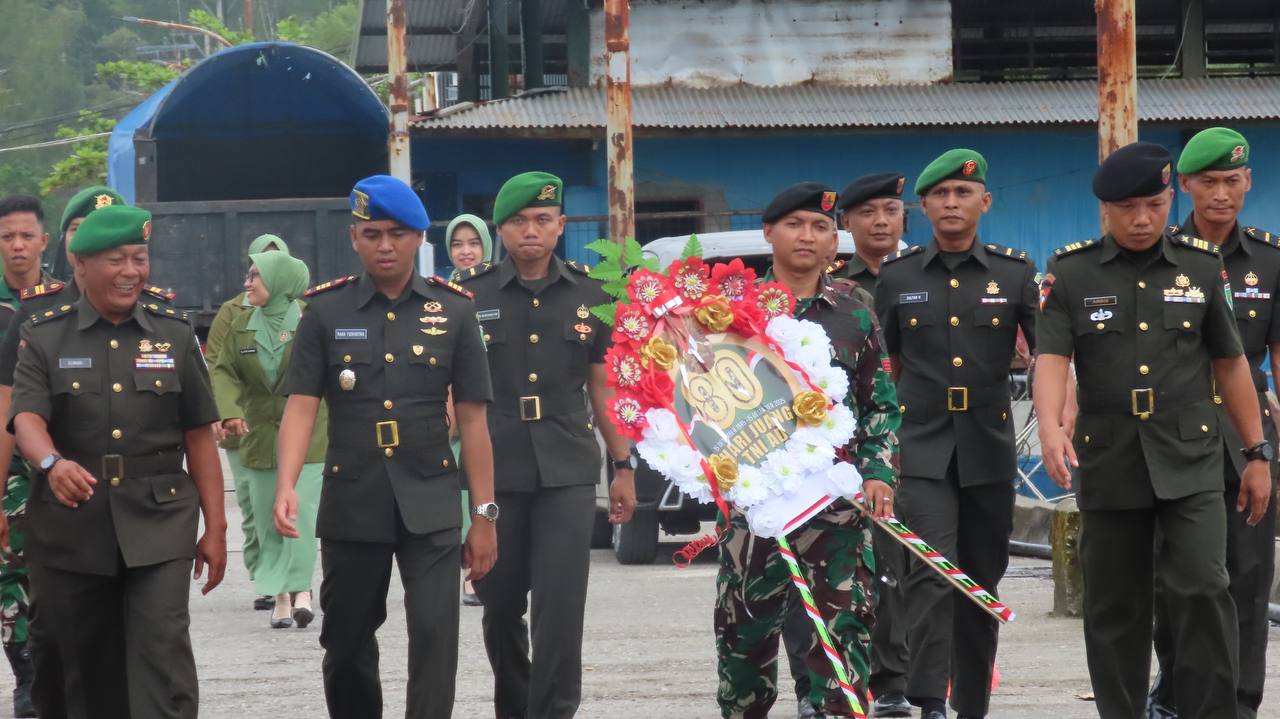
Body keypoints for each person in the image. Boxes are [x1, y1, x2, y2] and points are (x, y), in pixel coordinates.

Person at [1035, 140, 1273, 719]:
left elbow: (1231, 361)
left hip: (1191, 457)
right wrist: (1049, 428)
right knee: (1117, 604)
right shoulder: (1071, 271)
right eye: (1128, 209)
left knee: (1203, 587)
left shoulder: (1198, 265)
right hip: (1111, 457)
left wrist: (1256, 453)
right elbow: (1051, 360)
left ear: (1170, 199)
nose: (1142, 220)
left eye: (1154, 205)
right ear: (1106, 211)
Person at [273, 174, 497, 718]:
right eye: (371, 234)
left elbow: (472, 420)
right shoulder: (325, 312)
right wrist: (285, 484)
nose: (385, 245)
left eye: (397, 233)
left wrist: (485, 514)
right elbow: (302, 405)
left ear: (420, 237)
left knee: (436, 635)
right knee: (346, 640)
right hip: (354, 498)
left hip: (431, 496)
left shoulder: (456, 310)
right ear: (354, 238)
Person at [9, 204, 227, 717]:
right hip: (71, 527)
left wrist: (215, 527)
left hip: (160, 518)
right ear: (80, 265)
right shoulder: (44, 334)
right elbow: (27, 422)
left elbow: (199, 434)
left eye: (139, 258)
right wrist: (50, 465)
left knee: (163, 653)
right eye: (116, 260)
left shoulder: (173, 333)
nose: (131, 272)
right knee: (79, 664)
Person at [715, 182, 899, 719]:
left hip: (835, 507)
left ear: (834, 241)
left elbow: (880, 403)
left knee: (840, 646)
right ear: (769, 233)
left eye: (821, 227)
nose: (807, 236)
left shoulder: (854, 311)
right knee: (743, 646)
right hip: (756, 511)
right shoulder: (728, 312)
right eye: (794, 224)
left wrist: (877, 472)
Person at [458, 171, 636, 719]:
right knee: (500, 605)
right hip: (497, 465)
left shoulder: (592, 293)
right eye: (517, 222)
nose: (530, 230)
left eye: (541, 220)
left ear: (560, 226)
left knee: (561, 609)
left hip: (567, 467)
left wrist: (623, 465)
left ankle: (553, 711)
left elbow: (602, 387)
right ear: (500, 230)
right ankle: (515, 705)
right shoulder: (469, 295)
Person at [874, 149, 1038, 719]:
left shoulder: (1014, 274)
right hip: (920, 448)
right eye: (940, 194)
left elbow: (1048, 356)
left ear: (984, 202)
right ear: (922, 207)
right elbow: (881, 366)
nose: (952, 202)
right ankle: (928, 701)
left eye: (963, 193)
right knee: (932, 571)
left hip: (988, 450)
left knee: (980, 582)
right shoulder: (897, 277)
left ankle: (972, 703)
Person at [213, 250, 324, 629]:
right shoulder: (241, 326)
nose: (247, 283)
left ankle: (303, 590)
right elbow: (223, 372)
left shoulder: (311, 322)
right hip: (258, 435)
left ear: (278, 282)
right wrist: (230, 410)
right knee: (265, 516)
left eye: (255, 276)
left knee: (301, 515)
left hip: (310, 440)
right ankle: (279, 594)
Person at [205, 233, 290, 613]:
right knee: (254, 506)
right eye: (260, 265)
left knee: (289, 505)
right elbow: (218, 365)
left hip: (289, 427)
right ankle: (263, 573)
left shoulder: (301, 313)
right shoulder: (232, 311)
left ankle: (287, 579)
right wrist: (225, 412)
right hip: (245, 426)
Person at [446, 213, 494, 606]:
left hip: (498, 412)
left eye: (473, 243)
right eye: (458, 245)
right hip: (456, 413)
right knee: (462, 494)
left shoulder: (501, 291)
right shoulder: (442, 295)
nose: (466, 252)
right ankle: (466, 573)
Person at [831, 172, 908, 297]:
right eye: (868, 212)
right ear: (846, 222)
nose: (881, 221)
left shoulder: (927, 276)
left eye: (891, 210)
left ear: (902, 217)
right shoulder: (829, 283)